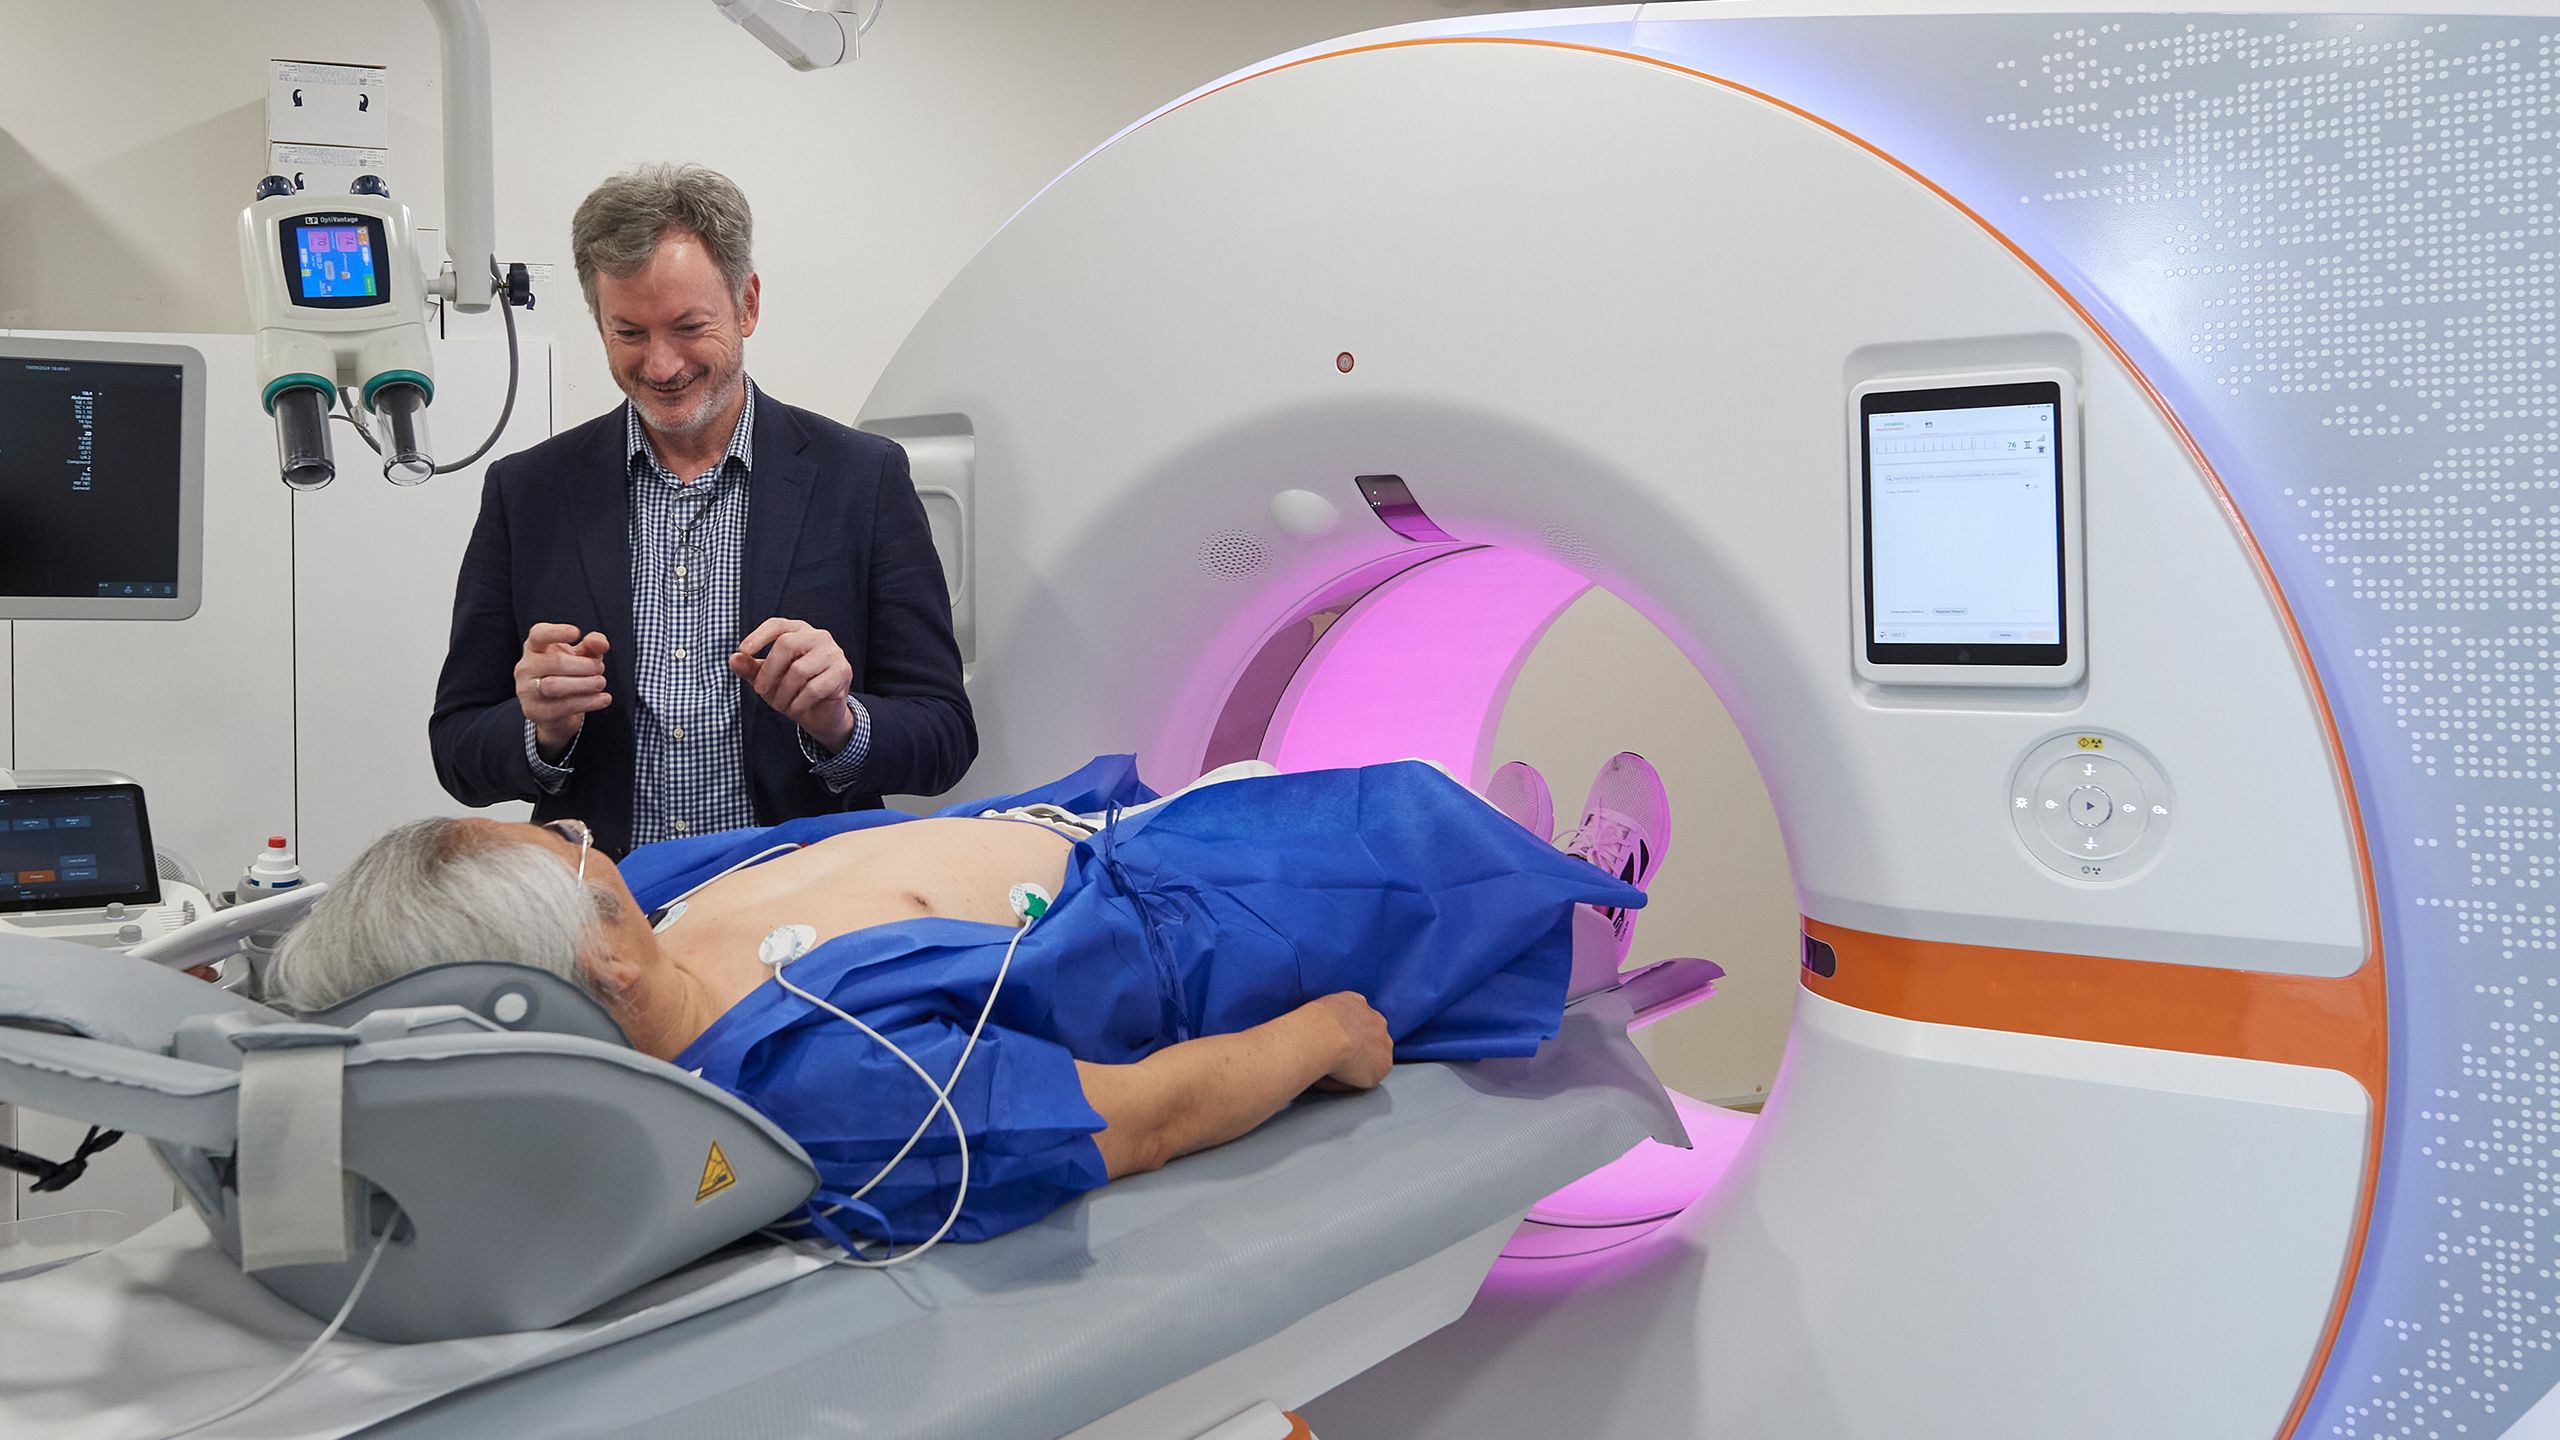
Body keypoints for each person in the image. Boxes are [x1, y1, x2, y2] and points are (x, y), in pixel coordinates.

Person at [270, 754, 1673, 1251]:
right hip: (1191, 937)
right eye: (567, 857)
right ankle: (1581, 921)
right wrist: (1322, 1043)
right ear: (603, 973)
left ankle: (1528, 878)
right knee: (1416, 860)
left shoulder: (660, 899)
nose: (590, 847)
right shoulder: (820, 1083)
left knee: (1333, 794)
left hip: (1105, 835)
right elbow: (1133, 1124)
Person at [430, 163, 973, 857]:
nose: (661, 366)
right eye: (628, 333)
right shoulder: (527, 492)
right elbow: (457, 749)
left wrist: (841, 723)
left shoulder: (860, 479)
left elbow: (944, 736)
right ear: (598, 319)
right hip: (606, 912)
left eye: (689, 326)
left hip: (800, 907)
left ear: (746, 304)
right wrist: (541, 731)